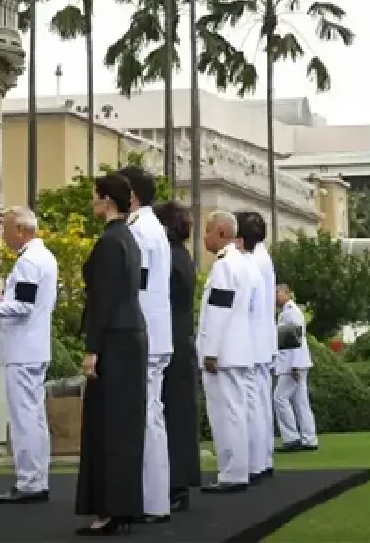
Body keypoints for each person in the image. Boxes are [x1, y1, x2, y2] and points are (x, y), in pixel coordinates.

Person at [77, 171, 148, 535]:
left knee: (108, 425)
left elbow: (103, 300)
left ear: (106, 200)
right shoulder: (129, 239)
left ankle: (109, 507)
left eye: (95, 196)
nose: (92, 203)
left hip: (115, 340)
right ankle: (121, 505)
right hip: (130, 336)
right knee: (124, 424)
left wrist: (92, 349)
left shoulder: (110, 242)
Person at [0, 205, 58, 505]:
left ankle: (29, 481)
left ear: (21, 230)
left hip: (23, 349)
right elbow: (29, 301)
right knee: (34, 417)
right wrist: (3, 299)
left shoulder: (28, 261)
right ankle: (36, 477)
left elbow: (23, 307)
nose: (3, 235)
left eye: (6, 229)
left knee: (25, 418)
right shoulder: (45, 258)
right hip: (35, 347)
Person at [120, 166, 173, 523]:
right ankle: (152, 498)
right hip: (153, 331)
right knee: (150, 414)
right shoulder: (152, 228)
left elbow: (133, 285)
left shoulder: (139, 231)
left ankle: (151, 500)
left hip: (142, 334)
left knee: (146, 416)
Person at [198, 208, 259, 493]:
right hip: (239, 348)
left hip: (223, 351)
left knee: (226, 413)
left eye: (208, 232)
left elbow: (219, 312)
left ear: (221, 232)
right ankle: (238, 468)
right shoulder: (244, 263)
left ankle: (232, 472)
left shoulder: (225, 265)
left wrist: (210, 351)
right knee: (237, 410)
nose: (204, 238)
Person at [153, 201, 202, 510]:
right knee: (179, 412)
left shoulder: (168, 258)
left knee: (172, 413)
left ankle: (175, 483)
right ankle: (177, 482)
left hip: (171, 339)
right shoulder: (181, 257)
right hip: (181, 338)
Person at [237, 212, 278, 479]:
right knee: (260, 404)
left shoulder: (250, 261)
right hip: (262, 339)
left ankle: (254, 462)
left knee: (251, 405)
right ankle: (262, 459)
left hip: (251, 340)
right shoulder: (263, 258)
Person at [273, 282, 318, 451]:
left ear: (286, 293)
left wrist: (295, 365)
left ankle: (291, 437)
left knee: (280, 398)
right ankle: (309, 438)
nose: (275, 297)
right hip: (294, 363)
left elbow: (296, 340)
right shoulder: (287, 311)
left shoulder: (291, 312)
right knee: (300, 401)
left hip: (292, 363)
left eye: (277, 293)